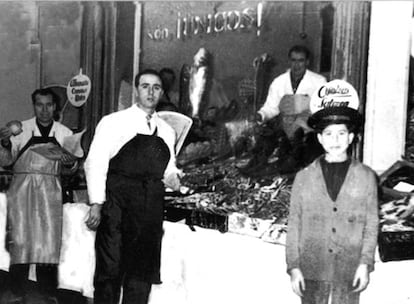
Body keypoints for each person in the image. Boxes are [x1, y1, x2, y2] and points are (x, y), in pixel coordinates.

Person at [84, 69, 182, 304]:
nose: (150, 92)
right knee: (110, 271)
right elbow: (95, 163)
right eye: (145, 86)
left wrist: (173, 178)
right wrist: (96, 204)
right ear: (136, 90)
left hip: (149, 209)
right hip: (117, 205)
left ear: (162, 92)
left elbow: (168, 167)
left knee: (141, 275)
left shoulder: (167, 131)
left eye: (156, 87)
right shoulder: (113, 122)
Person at [285, 80, 379, 304]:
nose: (335, 140)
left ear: (351, 137)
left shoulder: (366, 177)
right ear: (319, 138)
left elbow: (371, 224)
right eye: (328, 134)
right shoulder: (303, 178)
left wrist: (365, 264)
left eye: (341, 134)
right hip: (312, 267)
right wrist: (294, 267)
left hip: (348, 268)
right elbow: (294, 225)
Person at [0, 88, 77, 303]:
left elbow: (71, 169)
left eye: (49, 105)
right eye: (39, 105)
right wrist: (5, 143)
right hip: (22, 187)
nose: (44, 110)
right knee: (21, 238)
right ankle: (16, 291)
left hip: (50, 189)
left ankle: (47, 292)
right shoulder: (21, 130)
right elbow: (5, 161)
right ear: (33, 106)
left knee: (48, 241)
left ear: (55, 107)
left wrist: (69, 162)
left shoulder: (65, 133)